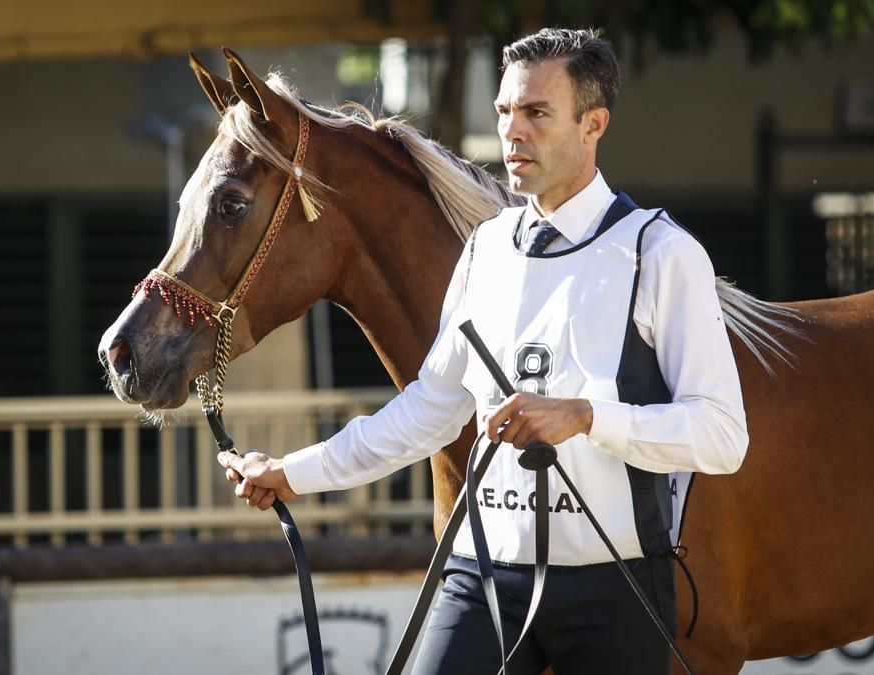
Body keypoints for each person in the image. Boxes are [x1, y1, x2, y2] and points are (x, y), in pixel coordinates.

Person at [218, 27, 748, 675]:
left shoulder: (659, 253)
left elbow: (722, 436)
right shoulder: (486, 249)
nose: (512, 130)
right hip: (482, 575)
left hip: (615, 586)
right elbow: (427, 412)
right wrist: (294, 473)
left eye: (536, 112)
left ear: (594, 124)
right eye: (504, 111)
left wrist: (588, 416)